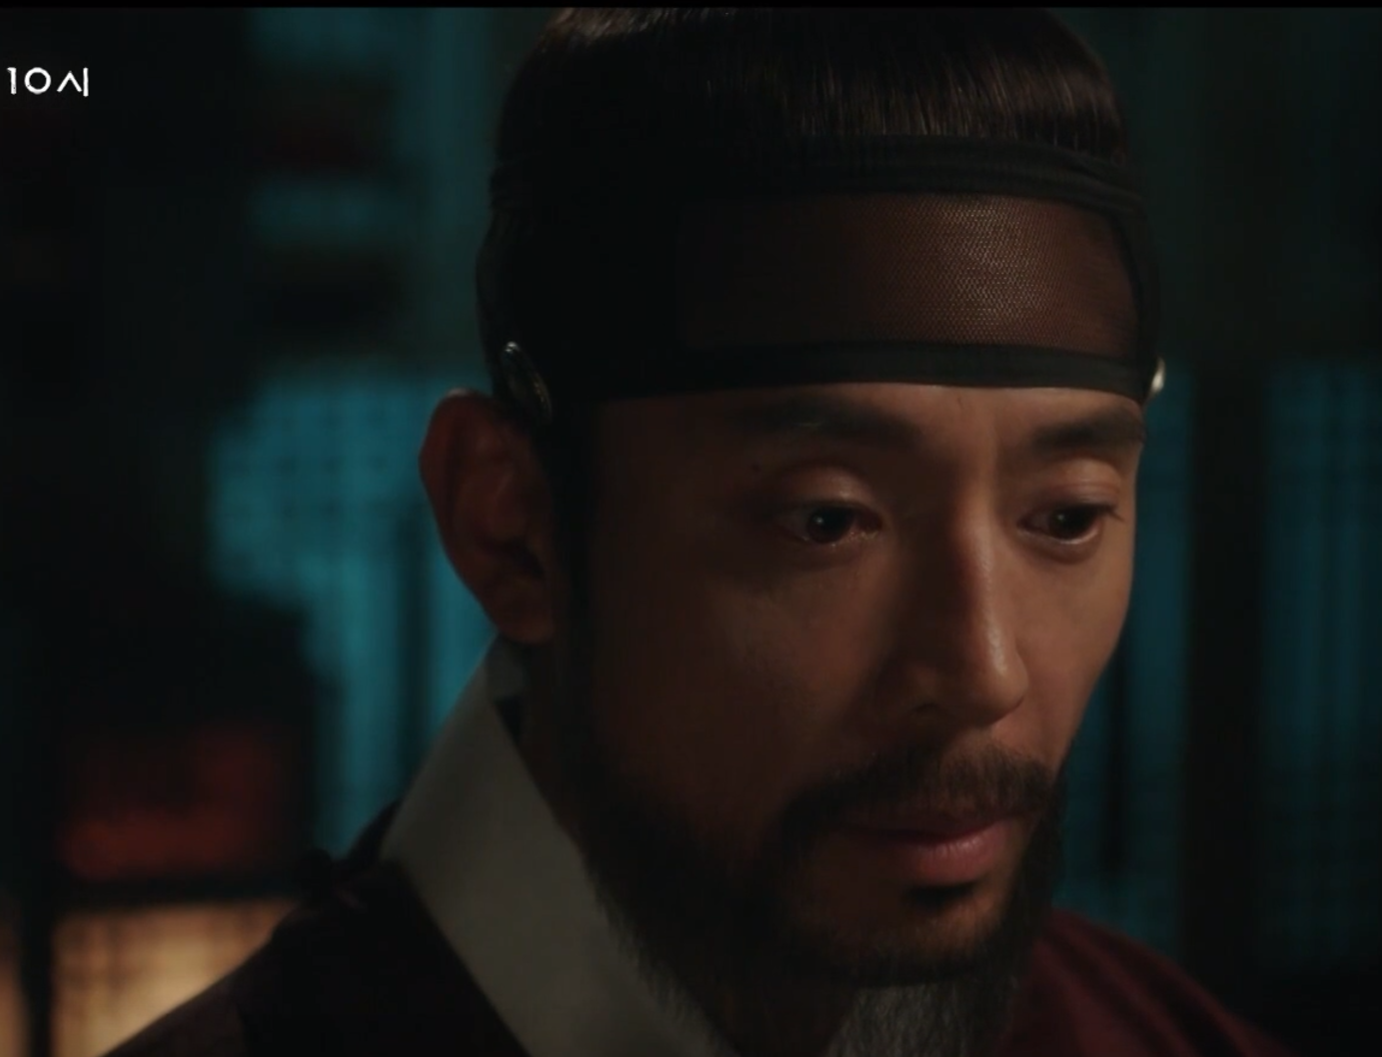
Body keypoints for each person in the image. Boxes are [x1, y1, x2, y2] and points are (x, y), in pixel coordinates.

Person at [107, 9, 1295, 1057]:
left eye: (1066, 517)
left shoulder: (1148, 1033)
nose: (984, 671)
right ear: (510, 526)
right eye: (826, 521)